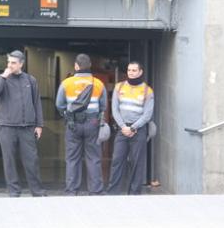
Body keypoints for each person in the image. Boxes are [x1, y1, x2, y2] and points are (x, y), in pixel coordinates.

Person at [0, 50, 47, 197]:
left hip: (27, 128)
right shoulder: (2, 79)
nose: (10, 65)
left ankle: (37, 191)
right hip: (7, 127)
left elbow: (36, 103)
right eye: (8, 62)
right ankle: (14, 191)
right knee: (9, 161)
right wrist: (3, 76)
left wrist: (39, 125)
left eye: (13, 63)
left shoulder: (30, 80)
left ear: (21, 64)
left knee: (31, 160)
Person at [56, 54, 107, 196]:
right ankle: (95, 190)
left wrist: (68, 116)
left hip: (73, 124)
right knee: (94, 157)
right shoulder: (98, 83)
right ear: (89, 65)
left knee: (72, 158)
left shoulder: (66, 83)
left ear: (76, 66)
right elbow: (103, 106)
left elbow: (59, 104)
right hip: (93, 123)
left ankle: (72, 190)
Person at [107, 61, 154, 195]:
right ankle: (112, 193)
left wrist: (133, 127)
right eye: (129, 70)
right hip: (122, 130)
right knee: (117, 161)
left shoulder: (147, 90)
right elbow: (114, 109)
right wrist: (123, 126)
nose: (131, 73)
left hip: (138, 131)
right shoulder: (119, 87)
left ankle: (134, 194)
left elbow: (147, 114)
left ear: (140, 72)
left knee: (137, 163)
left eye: (134, 70)